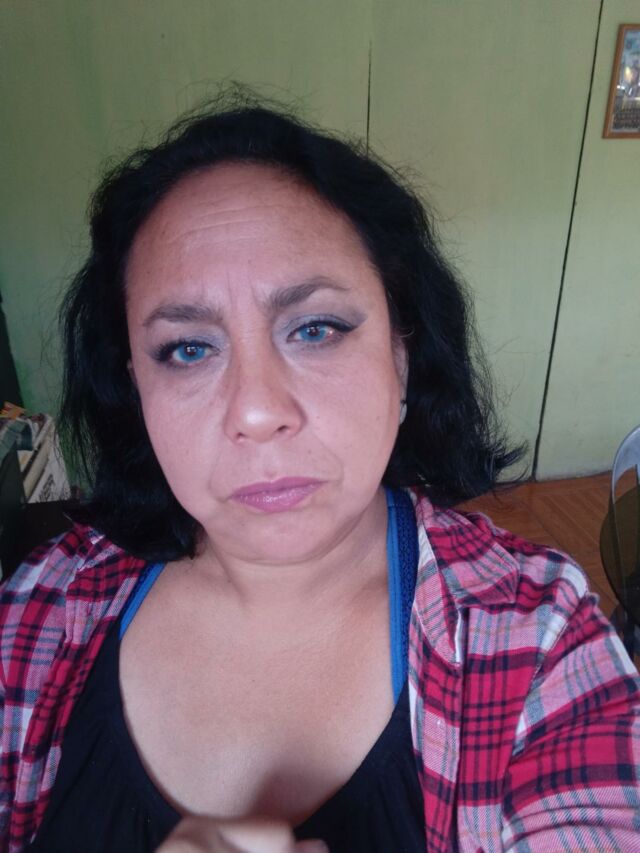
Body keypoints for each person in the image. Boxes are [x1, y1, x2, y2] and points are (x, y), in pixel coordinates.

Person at [1, 93, 638, 853]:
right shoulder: (41, 608)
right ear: (135, 386)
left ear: (402, 354)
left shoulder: (537, 641)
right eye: (188, 349)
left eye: (315, 328)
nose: (257, 410)